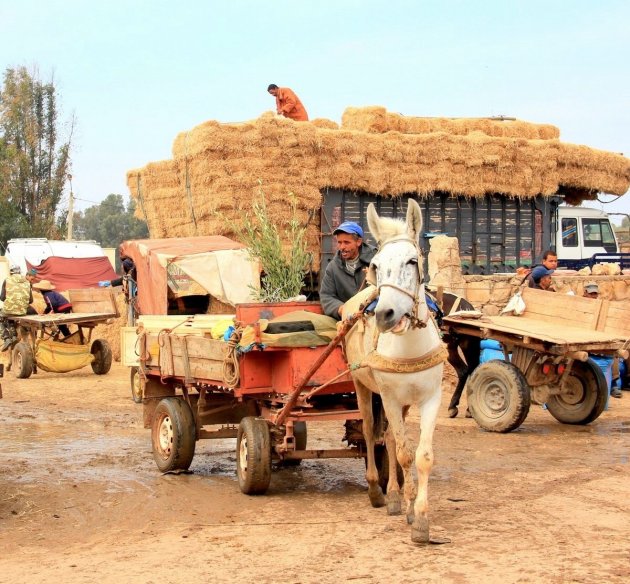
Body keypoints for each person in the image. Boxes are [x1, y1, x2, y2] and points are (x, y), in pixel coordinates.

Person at [319, 221, 376, 320]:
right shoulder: (333, 267)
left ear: (358, 242)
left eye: (346, 242)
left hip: (373, 316)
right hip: (347, 318)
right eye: (339, 242)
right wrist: (342, 309)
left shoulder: (376, 260)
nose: (342, 247)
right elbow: (327, 296)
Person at [0, 265, 34, 351]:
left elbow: (2, 298)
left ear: (11, 272)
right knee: (11, 315)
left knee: (3, 316)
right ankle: (14, 336)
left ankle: (6, 338)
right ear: (19, 272)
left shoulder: (7, 280)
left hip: (8, 310)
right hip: (23, 311)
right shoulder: (27, 282)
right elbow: (30, 300)